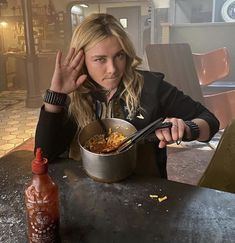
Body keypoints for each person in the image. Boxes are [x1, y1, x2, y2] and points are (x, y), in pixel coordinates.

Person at [35, 13, 219, 178]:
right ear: (83, 60)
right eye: (100, 59)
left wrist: (187, 129)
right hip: (85, 189)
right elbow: (44, 156)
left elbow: (210, 122)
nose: (113, 69)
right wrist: (55, 97)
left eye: (119, 56)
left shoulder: (151, 87)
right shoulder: (72, 95)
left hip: (145, 190)